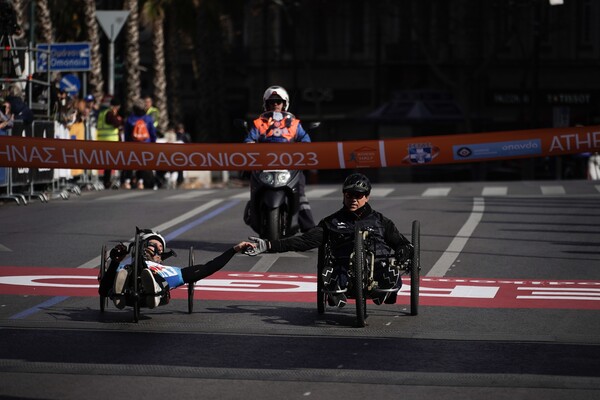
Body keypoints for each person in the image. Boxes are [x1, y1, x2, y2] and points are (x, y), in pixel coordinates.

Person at [245, 173, 413, 307]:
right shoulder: (331, 222)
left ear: (367, 197)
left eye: (358, 195)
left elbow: (401, 243)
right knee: (331, 276)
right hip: (343, 269)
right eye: (349, 194)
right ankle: (336, 294)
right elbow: (304, 241)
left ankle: (386, 292)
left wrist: (403, 252)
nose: (353, 199)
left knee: (391, 272)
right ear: (344, 195)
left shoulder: (381, 221)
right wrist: (268, 244)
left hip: (378, 267)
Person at [98, 229, 254, 309]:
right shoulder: (123, 266)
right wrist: (115, 260)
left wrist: (234, 250)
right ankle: (119, 294)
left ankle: (155, 290)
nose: (157, 249)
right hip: (127, 280)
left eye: (160, 247)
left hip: (158, 281)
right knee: (121, 273)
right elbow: (102, 291)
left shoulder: (172, 271)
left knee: (153, 275)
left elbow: (209, 267)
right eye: (152, 244)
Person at [244, 85, 315, 231]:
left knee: (300, 192)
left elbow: (305, 140)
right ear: (266, 104)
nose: (275, 104)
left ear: (284, 104)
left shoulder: (294, 123)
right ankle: (253, 212)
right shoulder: (259, 123)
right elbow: (249, 140)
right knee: (253, 185)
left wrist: (303, 147)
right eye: (272, 102)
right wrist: (250, 145)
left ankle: (309, 228)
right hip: (264, 165)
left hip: (289, 164)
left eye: (278, 101)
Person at [121, 98, 157, 189]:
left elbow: (127, 134)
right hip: (145, 145)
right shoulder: (148, 119)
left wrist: (127, 143)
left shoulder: (130, 119)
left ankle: (127, 182)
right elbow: (152, 133)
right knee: (142, 163)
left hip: (133, 144)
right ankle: (140, 182)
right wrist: (153, 143)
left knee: (130, 163)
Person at [96, 97, 123, 188]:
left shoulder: (102, 113)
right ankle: (107, 181)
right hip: (110, 141)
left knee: (108, 162)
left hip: (103, 140)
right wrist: (118, 119)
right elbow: (116, 124)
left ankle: (107, 181)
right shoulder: (109, 113)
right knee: (110, 162)